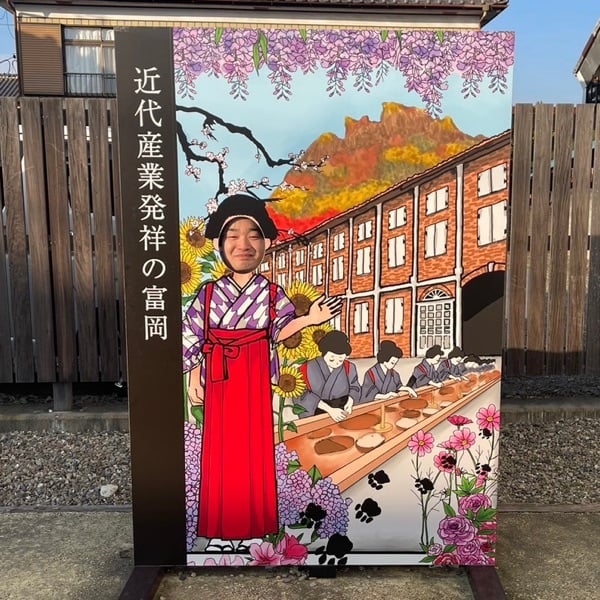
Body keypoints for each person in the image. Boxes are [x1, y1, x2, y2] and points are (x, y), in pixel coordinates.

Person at [182, 193, 342, 542]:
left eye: (253, 235)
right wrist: (195, 375)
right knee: (220, 449)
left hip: (252, 373)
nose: (243, 245)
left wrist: (309, 319)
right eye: (232, 235)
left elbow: (279, 330)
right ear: (218, 243)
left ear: (267, 242)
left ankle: (255, 525)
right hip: (219, 375)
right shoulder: (208, 293)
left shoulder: (270, 293)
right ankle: (218, 526)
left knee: (253, 448)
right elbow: (194, 335)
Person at [297, 330, 361, 421]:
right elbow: (301, 394)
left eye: (340, 360)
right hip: (317, 412)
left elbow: (355, 387)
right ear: (324, 353)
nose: (336, 363)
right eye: (331, 359)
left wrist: (350, 401)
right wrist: (329, 410)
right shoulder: (306, 368)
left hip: (343, 411)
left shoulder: (349, 367)